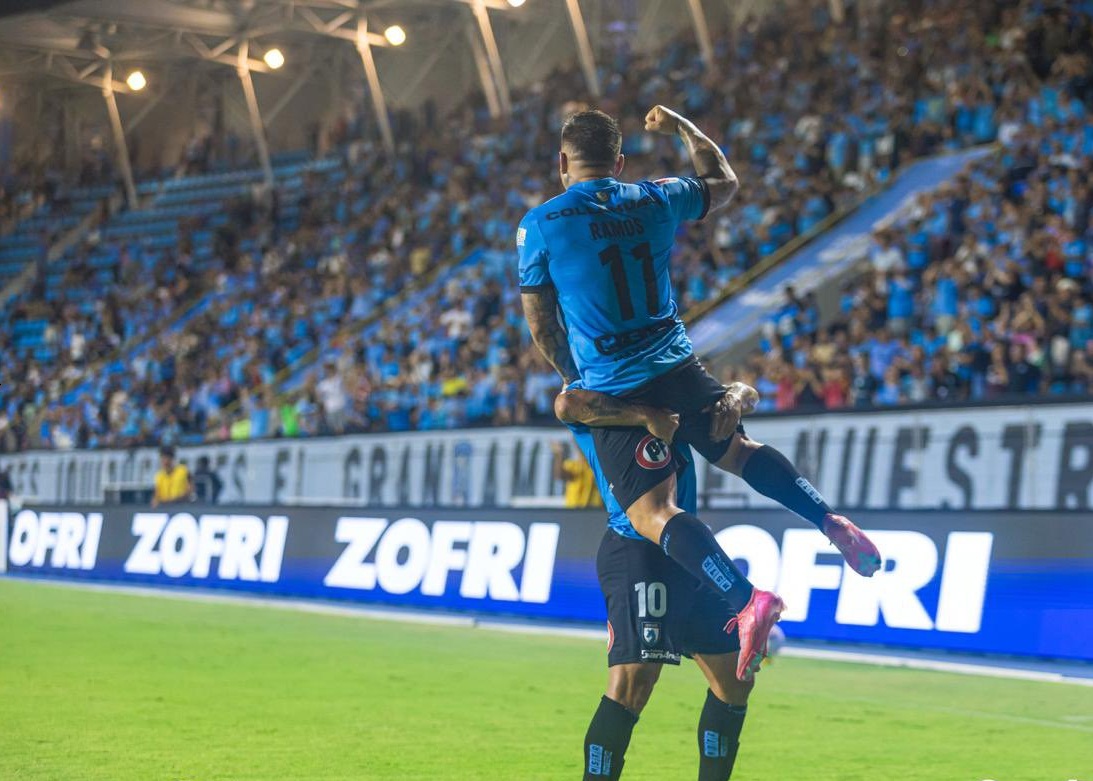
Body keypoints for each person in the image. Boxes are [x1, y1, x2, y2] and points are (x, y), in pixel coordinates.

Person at [517, 108, 881, 778]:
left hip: (630, 410)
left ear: (562, 164)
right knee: (735, 452)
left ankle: (748, 599)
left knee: (714, 651)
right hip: (676, 377)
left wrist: (585, 379)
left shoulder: (542, 224)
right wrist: (683, 125)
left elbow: (547, 337)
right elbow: (723, 181)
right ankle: (826, 519)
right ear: (620, 163)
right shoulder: (655, 197)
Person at [551, 440, 603, 508]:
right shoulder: (573, 465)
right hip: (574, 511)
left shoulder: (599, 466)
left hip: (595, 510)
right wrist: (558, 455)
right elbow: (560, 475)